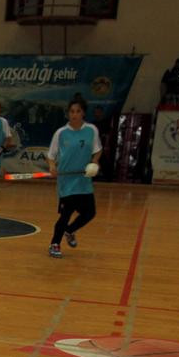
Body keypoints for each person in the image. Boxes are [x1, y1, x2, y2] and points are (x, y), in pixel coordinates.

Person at [47, 95, 101, 258]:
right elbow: (51, 155)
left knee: (90, 213)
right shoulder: (61, 133)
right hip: (66, 181)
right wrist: (52, 167)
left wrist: (94, 162)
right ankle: (54, 244)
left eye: (78, 111)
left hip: (84, 180)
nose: (74, 114)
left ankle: (70, 231)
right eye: (71, 111)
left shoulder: (91, 130)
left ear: (83, 113)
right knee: (66, 214)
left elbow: (97, 150)